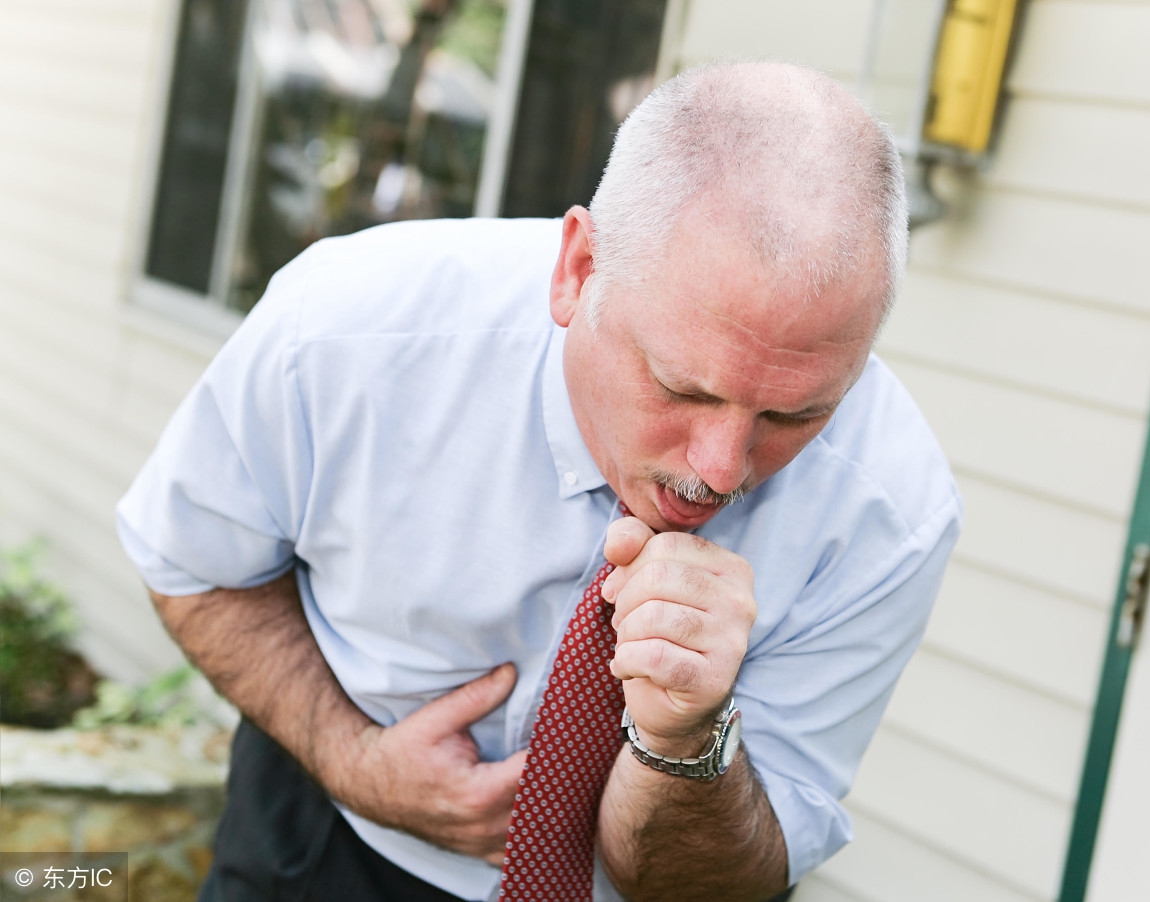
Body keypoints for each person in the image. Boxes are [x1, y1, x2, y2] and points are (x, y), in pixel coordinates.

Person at [117, 61, 961, 902]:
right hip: (324, 840)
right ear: (578, 269)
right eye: (683, 388)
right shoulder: (347, 332)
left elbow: (722, 879)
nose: (720, 467)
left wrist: (686, 739)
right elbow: (196, 565)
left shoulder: (892, 510)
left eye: (794, 415)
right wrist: (353, 761)